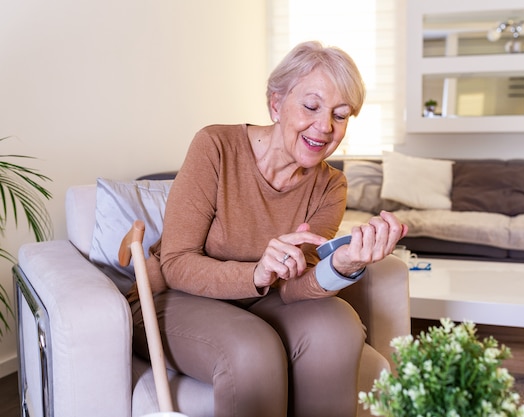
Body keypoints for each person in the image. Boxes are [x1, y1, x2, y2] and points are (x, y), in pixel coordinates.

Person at [129, 40, 408, 417]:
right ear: (276, 104)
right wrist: (257, 271)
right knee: (252, 349)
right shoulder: (216, 146)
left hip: (264, 302)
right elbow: (176, 263)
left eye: (340, 116)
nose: (324, 127)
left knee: (339, 327)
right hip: (176, 298)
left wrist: (341, 264)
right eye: (311, 106)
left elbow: (294, 288)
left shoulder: (331, 186)